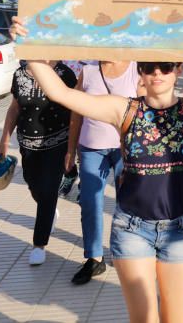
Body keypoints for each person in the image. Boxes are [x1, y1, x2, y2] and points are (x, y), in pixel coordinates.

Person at [15, 15, 183, 323]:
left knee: (178, 318)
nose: (157, 73)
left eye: (165, 66)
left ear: (178, 69)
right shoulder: (124, 109)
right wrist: (29, 49)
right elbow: (62, 94)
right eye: (149, 66)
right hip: (132, 231)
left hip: (182, 228)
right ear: (139, 70)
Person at [66, 60, 144, 285]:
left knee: (127, 203)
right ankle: (94, 256)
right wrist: (71, 150)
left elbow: (143, 112)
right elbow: (76, 113)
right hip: (91, 147)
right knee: (90, 202)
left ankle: (125, 253)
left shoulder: (135, 69)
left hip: (126, 150)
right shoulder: (88, 71)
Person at [0, 61, 78, 266]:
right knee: (34, 185)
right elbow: (14, 108)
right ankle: (49, 211)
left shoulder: (63, 73)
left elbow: (75, 112)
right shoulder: (20, 74)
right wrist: (4, 140)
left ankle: (39, 244)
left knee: (48, 190)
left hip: (57, 143)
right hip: (27, 145)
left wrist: (71, 149)